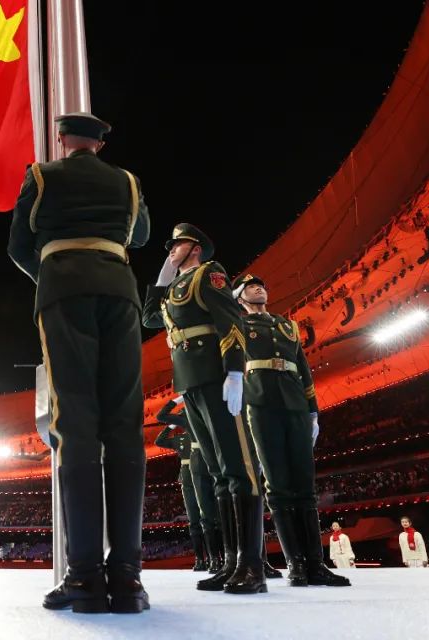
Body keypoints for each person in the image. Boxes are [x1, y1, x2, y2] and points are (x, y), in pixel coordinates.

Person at [8, 112, 151, 613]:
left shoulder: (41, 175)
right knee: (125, 423)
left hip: (64, 289)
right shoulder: (127, 181)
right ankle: (128, 579)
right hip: (120, 290)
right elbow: (140, 235)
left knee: (75, 421)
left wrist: (54, 272)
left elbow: (18, 245)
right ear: (100, 144)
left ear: (63, 139)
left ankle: (85, 577)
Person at [142, 224, 262, 596]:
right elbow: (149, 318)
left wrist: (234, 372)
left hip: (214, 375)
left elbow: (230, 320)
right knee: (219, 474)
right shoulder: (175, 288)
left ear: (195, 247)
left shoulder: (209, 274)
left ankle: (251, 565)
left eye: (177, 244)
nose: (171, 249)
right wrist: (162, 278)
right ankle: (230, 562)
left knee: (238, 469)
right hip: (190, 382)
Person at [231, 274, 347, 588]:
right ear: (240, 298)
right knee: (278, 485)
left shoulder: (287, 326)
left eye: (261, 285)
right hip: (261, 405)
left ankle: (316, 565)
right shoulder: (237, 325)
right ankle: (296, 564)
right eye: (250, 287)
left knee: (305, 484)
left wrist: (313, 411)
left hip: (295, 403)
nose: (259, 288)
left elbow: (303, 368)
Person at [154, 399, 215, 572]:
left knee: (208, 517)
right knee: (195, 519)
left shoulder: (197, 428)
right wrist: (170, 427)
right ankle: (202, 559)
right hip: (189, 475)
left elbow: (161, 420)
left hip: (202, 469)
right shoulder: (180, 438)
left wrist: (172, 422)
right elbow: (159, 441)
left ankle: (212, 558)